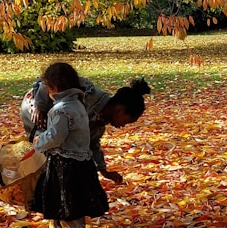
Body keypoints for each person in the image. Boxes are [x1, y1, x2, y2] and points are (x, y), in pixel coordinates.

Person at [28, 61, 109, 228]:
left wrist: (40, 142)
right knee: (75, 203)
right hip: (83, 161)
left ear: (54, 87)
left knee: (61, 203)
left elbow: (57, 136)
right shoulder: (79, 105)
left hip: (64, 164)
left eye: (48, 88)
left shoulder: (60, 110)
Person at [21, 74, 150, 183]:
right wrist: (40, 105)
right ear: (119, 109)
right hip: (36, 108)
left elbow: (91, 143)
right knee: (50, 150)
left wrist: (104, 171)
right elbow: (51, 78)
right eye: (127, 121)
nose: (123, 126)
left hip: (55, 124)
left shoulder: (99, 125)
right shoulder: (88, 92)